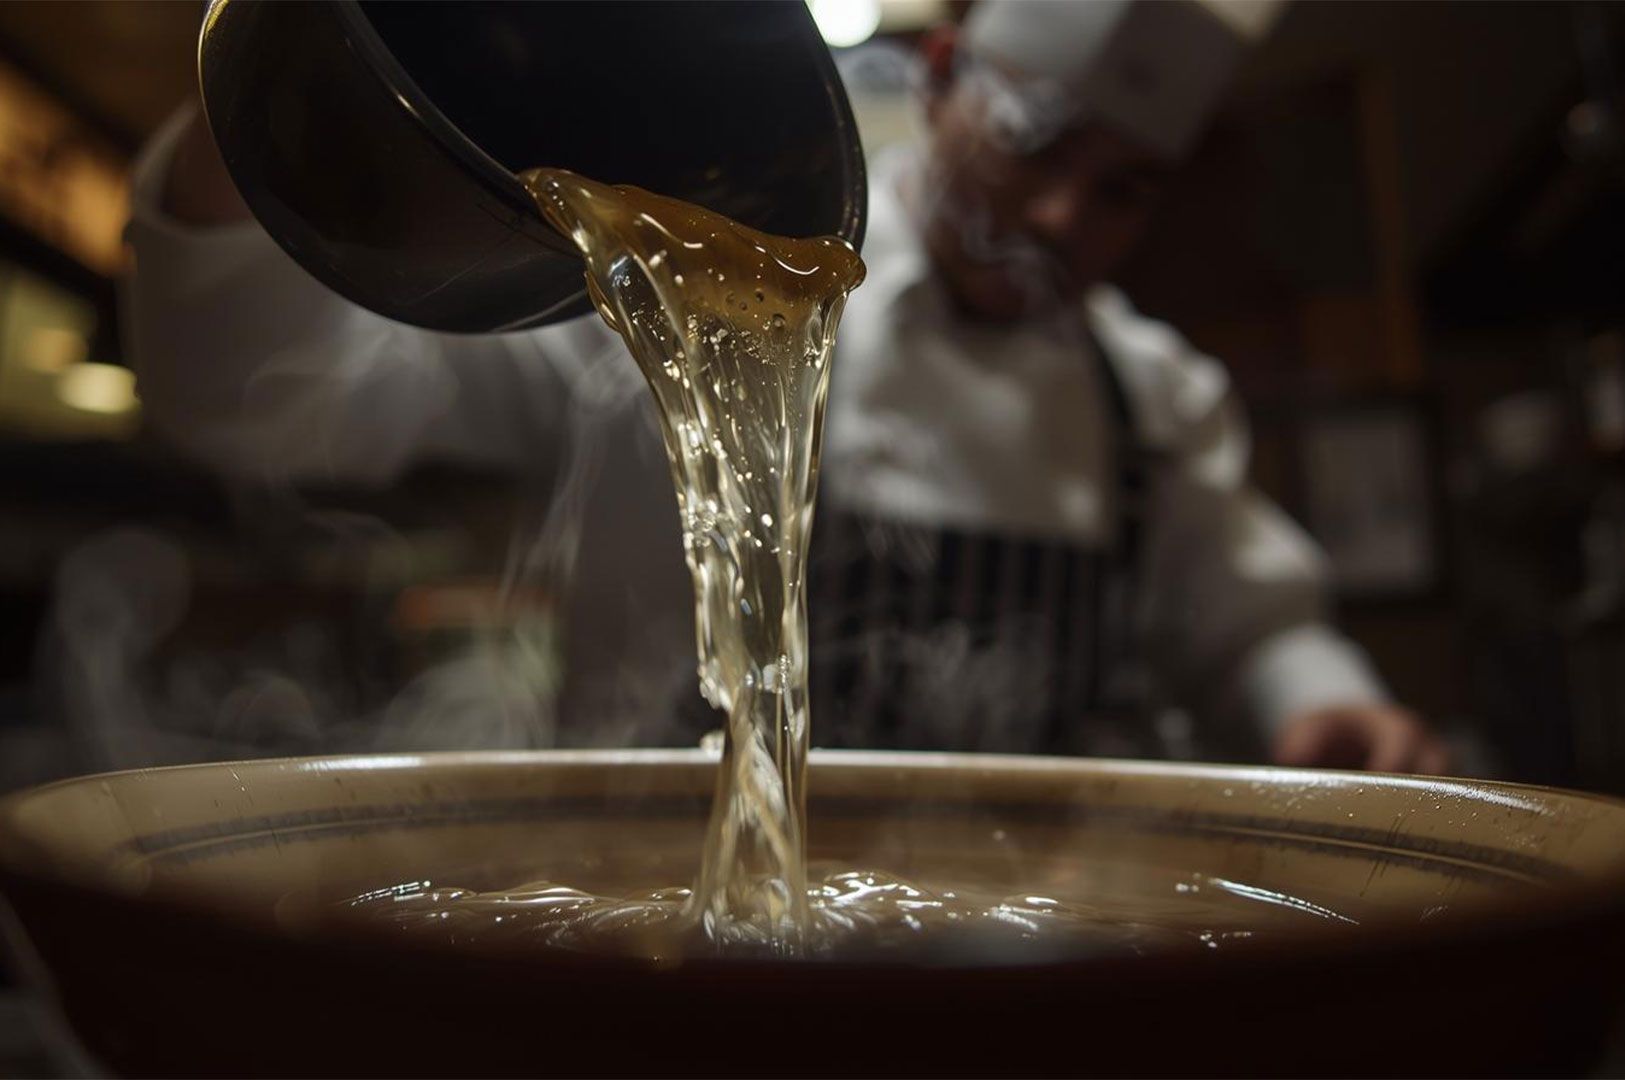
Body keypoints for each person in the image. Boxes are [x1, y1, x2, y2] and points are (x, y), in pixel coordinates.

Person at [125, 0, 1449, 773]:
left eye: (1120, 192)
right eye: (1037, 149)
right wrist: (266, 95)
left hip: (1008, 965)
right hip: (639, 956)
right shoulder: (655, 283)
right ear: (940, 84)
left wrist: (1307, 697)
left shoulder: (1155, 397)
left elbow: (1248, 623)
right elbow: (258, 405)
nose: (1059, 218)